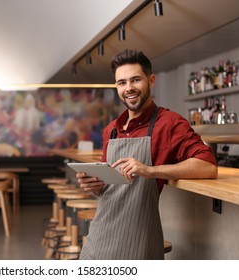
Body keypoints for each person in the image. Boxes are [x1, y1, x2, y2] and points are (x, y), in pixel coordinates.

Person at [76, 49, 218, 260]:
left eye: (135, 80)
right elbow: (109, 189)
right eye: (121, 83)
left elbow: (208, 166)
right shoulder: (111, 130)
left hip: (138, 238)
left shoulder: (169, 123)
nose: (129, 88)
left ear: (151, 81)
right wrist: (95, 186)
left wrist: (150, 170)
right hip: (100, 234)